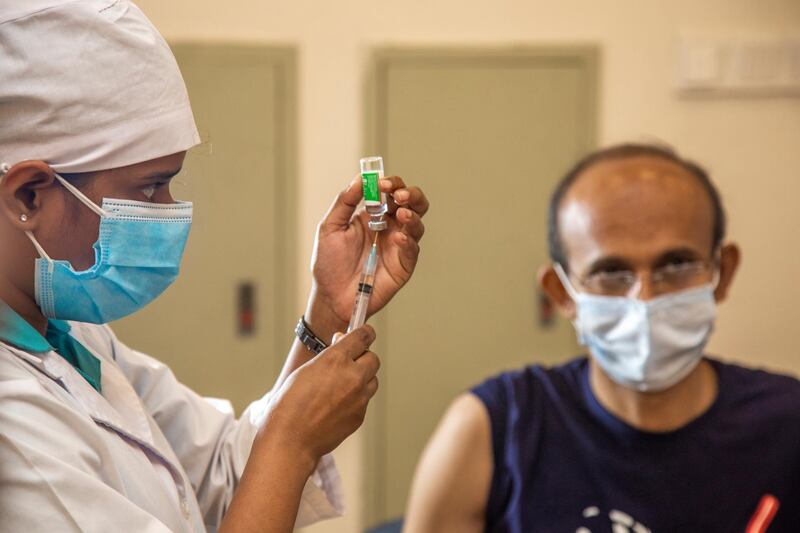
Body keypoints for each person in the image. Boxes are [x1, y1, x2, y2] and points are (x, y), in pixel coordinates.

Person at [0, 1, 429, 532]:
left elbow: (227, 475)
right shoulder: (12, 425)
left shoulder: (76, 340)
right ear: (28, 196)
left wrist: (325, 314)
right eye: (149, 187)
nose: (168, 211)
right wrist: (292, 444)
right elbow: (273, 457)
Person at [404, 143, 800, 532]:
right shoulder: (492, 431)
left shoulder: (787, 426)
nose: (645, 299)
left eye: (676, 264)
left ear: (722, 273)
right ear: (561, 294)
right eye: (611, 272)